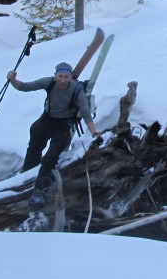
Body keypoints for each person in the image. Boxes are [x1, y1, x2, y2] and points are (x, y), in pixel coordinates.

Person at [7, 61, 100, 207]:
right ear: (55, 76)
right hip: (47, 120)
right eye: (60, 76)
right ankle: (27, 173)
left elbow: (86, 113)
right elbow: (25, 87)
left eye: (66, 77)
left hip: (63, 125)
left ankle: (40, 191)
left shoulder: (77, 90)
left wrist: (94, 132)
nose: (63, 80)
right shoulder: (48, 83)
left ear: (71, 77)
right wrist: (12, 79)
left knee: (51, 157)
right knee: (34, 145)